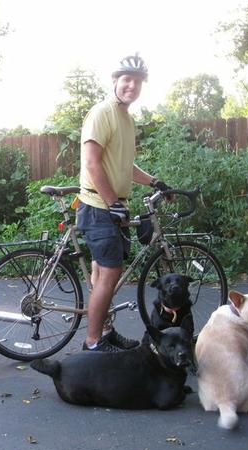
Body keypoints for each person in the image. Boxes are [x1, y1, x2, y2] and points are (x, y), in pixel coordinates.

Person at [76, 53, 171, 352]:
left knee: (101, 272)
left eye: (137, 81)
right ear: (115, 81)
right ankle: (93, 341)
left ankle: (104, 330)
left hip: (111, 207)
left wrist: (154, 181)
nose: (132, 85)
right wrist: (111, 201)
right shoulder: (103, 112)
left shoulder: (126, 120)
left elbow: (124, 165)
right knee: (110, 274)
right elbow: (92, 163)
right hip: (99, 207)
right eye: (126, 79)